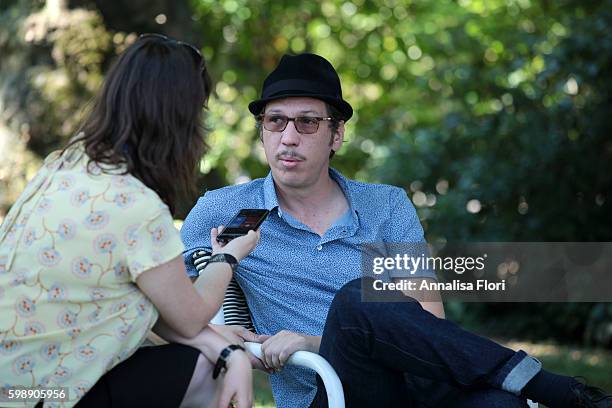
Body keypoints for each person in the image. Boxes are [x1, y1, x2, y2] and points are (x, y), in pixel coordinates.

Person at [180, 53, 611, 408]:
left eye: (307, 122)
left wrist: (311, 340)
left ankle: (530, 390)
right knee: (357, 298)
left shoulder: (384, 205)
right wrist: (233, 340)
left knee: (501, 407)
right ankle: (555, 390)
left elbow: (429, 318)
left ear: (336, 134)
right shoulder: (224, 210)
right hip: (331, 395)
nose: (288, 137)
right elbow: (174, 312)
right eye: (276, 121)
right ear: (262, 131)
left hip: (419, 385)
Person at [0, 34, 259, 408]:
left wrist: (222, 347)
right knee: (205, 373)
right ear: (180, 120)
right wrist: (228, 257)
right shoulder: (137, 207)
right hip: (38, 397)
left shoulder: (63, 166)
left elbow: (142, 306)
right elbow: (189, 318)